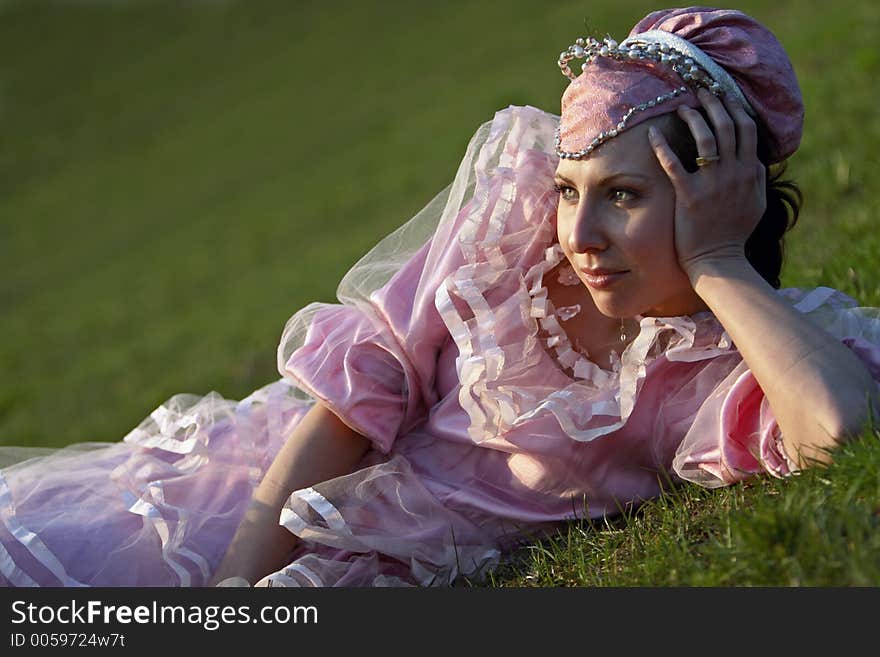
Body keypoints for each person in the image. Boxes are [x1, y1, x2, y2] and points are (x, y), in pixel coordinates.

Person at [2, 6, 879, 588]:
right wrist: (236, 594)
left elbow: (836, 430)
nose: (580, 233)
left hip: (362, 564)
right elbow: (348, 406)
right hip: (261, 489)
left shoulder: (702, 376)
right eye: (573, 188)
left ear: (715, 191)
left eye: (625, 195)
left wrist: (720, 261)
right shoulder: (511, 241)